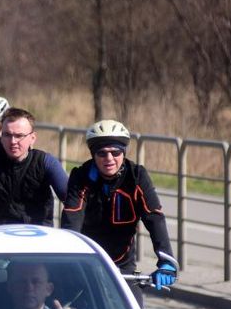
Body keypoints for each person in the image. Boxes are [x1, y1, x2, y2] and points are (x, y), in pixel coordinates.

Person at [61, 120, 177, 294]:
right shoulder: (81, 176)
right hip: (88, 259)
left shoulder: (136, 176)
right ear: (93, 154)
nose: (109, 159)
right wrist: (69, 256)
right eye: (102, 153)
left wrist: (166, 260)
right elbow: (72, 216)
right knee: (73, 307)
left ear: (123, 152)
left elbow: (154, 217)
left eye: (115, 152)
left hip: (123, 263)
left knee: (132, 308)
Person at [0, 107, 68, 227]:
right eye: (7, 135)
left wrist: (70, 231)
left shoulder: (46, 162)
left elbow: (71, 198)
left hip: (38, 233)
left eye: (19, 136)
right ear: (1, 136)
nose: (13, 141)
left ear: (32, 138)